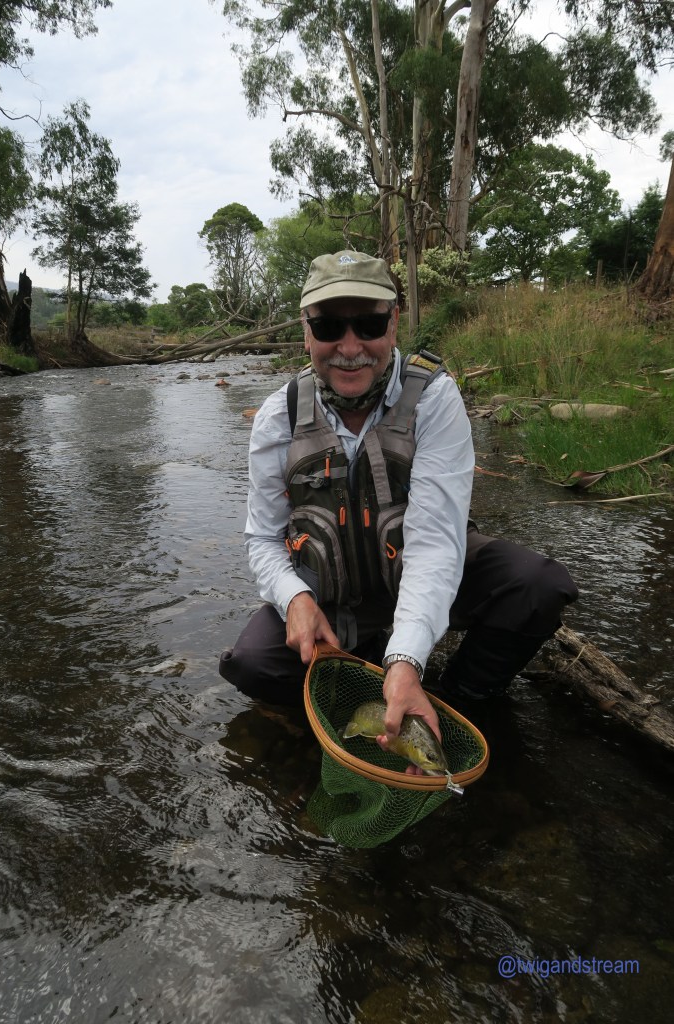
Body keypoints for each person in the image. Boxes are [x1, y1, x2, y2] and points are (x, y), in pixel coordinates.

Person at [219, 251, 578, 761]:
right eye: (328, 326)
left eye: (368, 324)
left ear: (393, 324)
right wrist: (294, 598)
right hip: (333, 599)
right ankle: (356, 702)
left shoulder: (434, 399)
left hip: (421, 569)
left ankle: (452, 702)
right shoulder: (278, 417)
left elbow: (434, 545)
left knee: (537, 586)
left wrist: (406, 661)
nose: (349, 348)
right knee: (251, 664)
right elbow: (263, 538)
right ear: (306, 331)